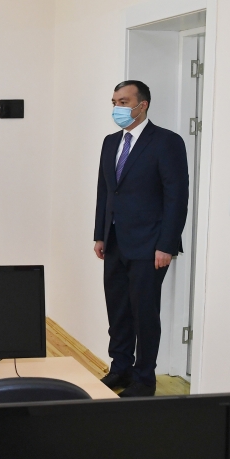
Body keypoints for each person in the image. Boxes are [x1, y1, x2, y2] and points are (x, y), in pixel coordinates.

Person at [93, 80, 188, 398]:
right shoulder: (110, 142)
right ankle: (119, 367)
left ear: (142, 105)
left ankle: (144, 378)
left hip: (150, 245)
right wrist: (99, 234)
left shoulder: (166, 142)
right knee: (117, 310)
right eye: (114, 102)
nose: (117, 108)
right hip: (115, 241)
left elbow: (177, 197)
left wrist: (167, 244)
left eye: (123, 102)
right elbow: (105, 191)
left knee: (144, 313)